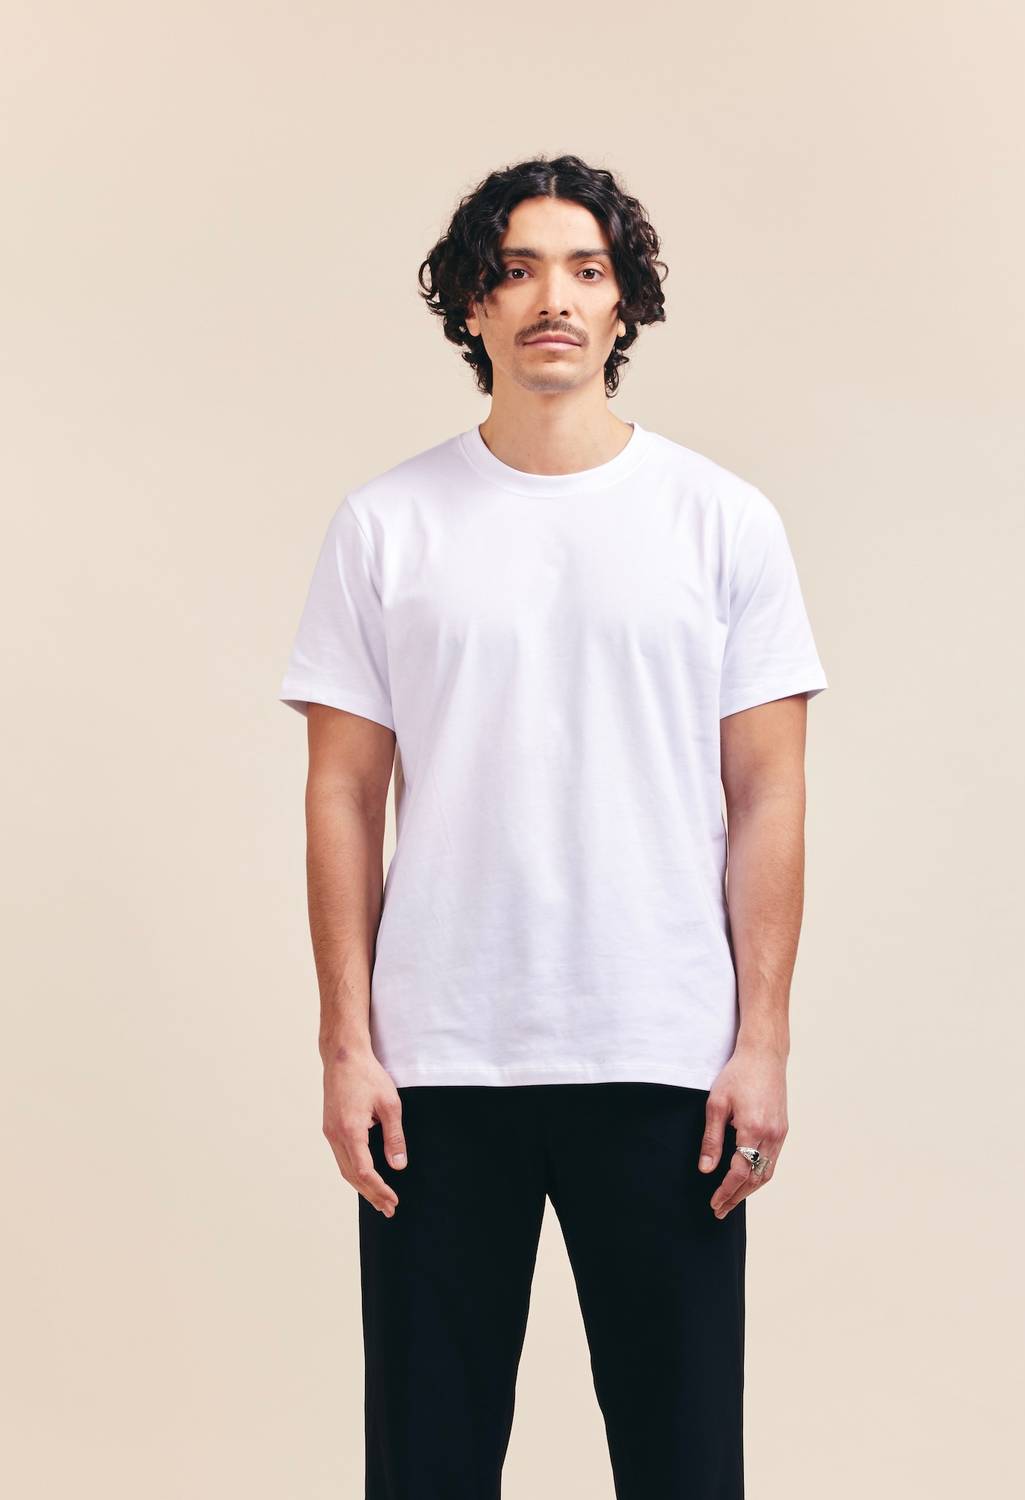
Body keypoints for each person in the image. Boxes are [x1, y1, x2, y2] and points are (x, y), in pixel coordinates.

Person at [276, 154, 829, 1500]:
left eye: (586, 269)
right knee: (427, 1466)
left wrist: (762, 1041)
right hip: (436, 1064)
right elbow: (343, 794)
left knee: (684, 1464)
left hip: (664, 1052)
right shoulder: (386, 525)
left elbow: (769, 792)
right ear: (472, 305)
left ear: (625, 303)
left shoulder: (721, 521)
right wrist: (346, 1045)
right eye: (516, 270)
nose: (553, 299)